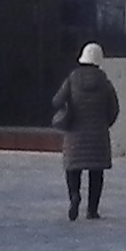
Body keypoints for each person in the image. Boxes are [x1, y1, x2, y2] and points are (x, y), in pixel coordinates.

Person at [51, 41, 121, 221]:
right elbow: (114, 108)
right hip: (98, 136)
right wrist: (104, 123)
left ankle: (74, 196)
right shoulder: (104, 82)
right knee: (96, 172)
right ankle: (92, 210)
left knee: (72, 168)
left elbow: (57, 101)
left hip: (74, 134)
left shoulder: (72, 78)